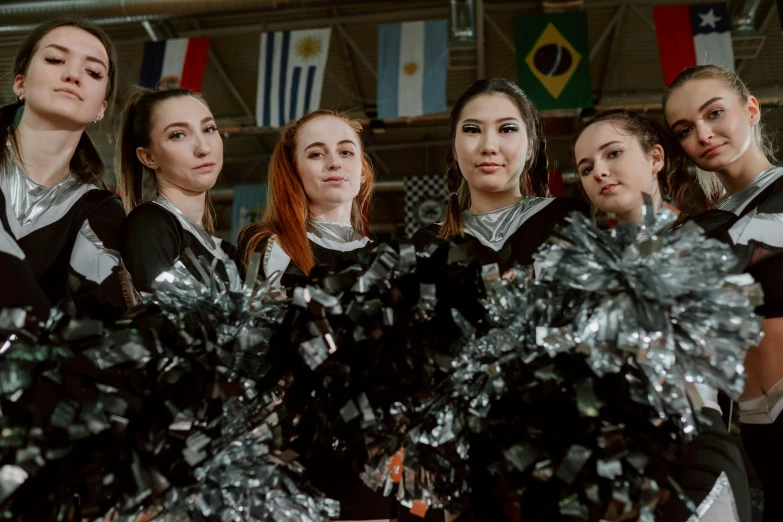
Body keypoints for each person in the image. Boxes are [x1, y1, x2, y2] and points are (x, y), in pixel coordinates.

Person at [573, 108, 751, 522]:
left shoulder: (718, 235)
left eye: (613, 153)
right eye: (585, 168)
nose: (599, 171)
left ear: (656, 158)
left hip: (694, 451)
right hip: (611, 465)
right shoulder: (578, 269)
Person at [663, 64, 783, 522]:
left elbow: (725, 255)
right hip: (750, 429)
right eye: (685, 130)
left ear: (751, 109)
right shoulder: (697, 228)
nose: (704, 134)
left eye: (715, 113)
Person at [0, 17, 127, 319]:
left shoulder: (100, 208)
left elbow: (106, 309)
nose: (73, 75)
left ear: (101, 108)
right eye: (56, 59)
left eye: (94, 72)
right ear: (21, 83)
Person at [412, 78, 589, 275]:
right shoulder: (429, 240)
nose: (488, 146)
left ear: (531, 146)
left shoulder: (567, 217)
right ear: (454, 147)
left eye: (507, 129)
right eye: (472, 130)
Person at [237, 109, 374, 290]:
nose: (334, 162)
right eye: (316, 154)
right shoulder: (270, 247)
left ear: (363, 171)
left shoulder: (383, 257)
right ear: (294, 171)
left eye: (346, 152)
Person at [117, 87, 237, 293]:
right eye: (178, 135)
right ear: (149, 157)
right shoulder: (151, 224)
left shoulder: (227, 251)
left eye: (208, 129)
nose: (204, 148)